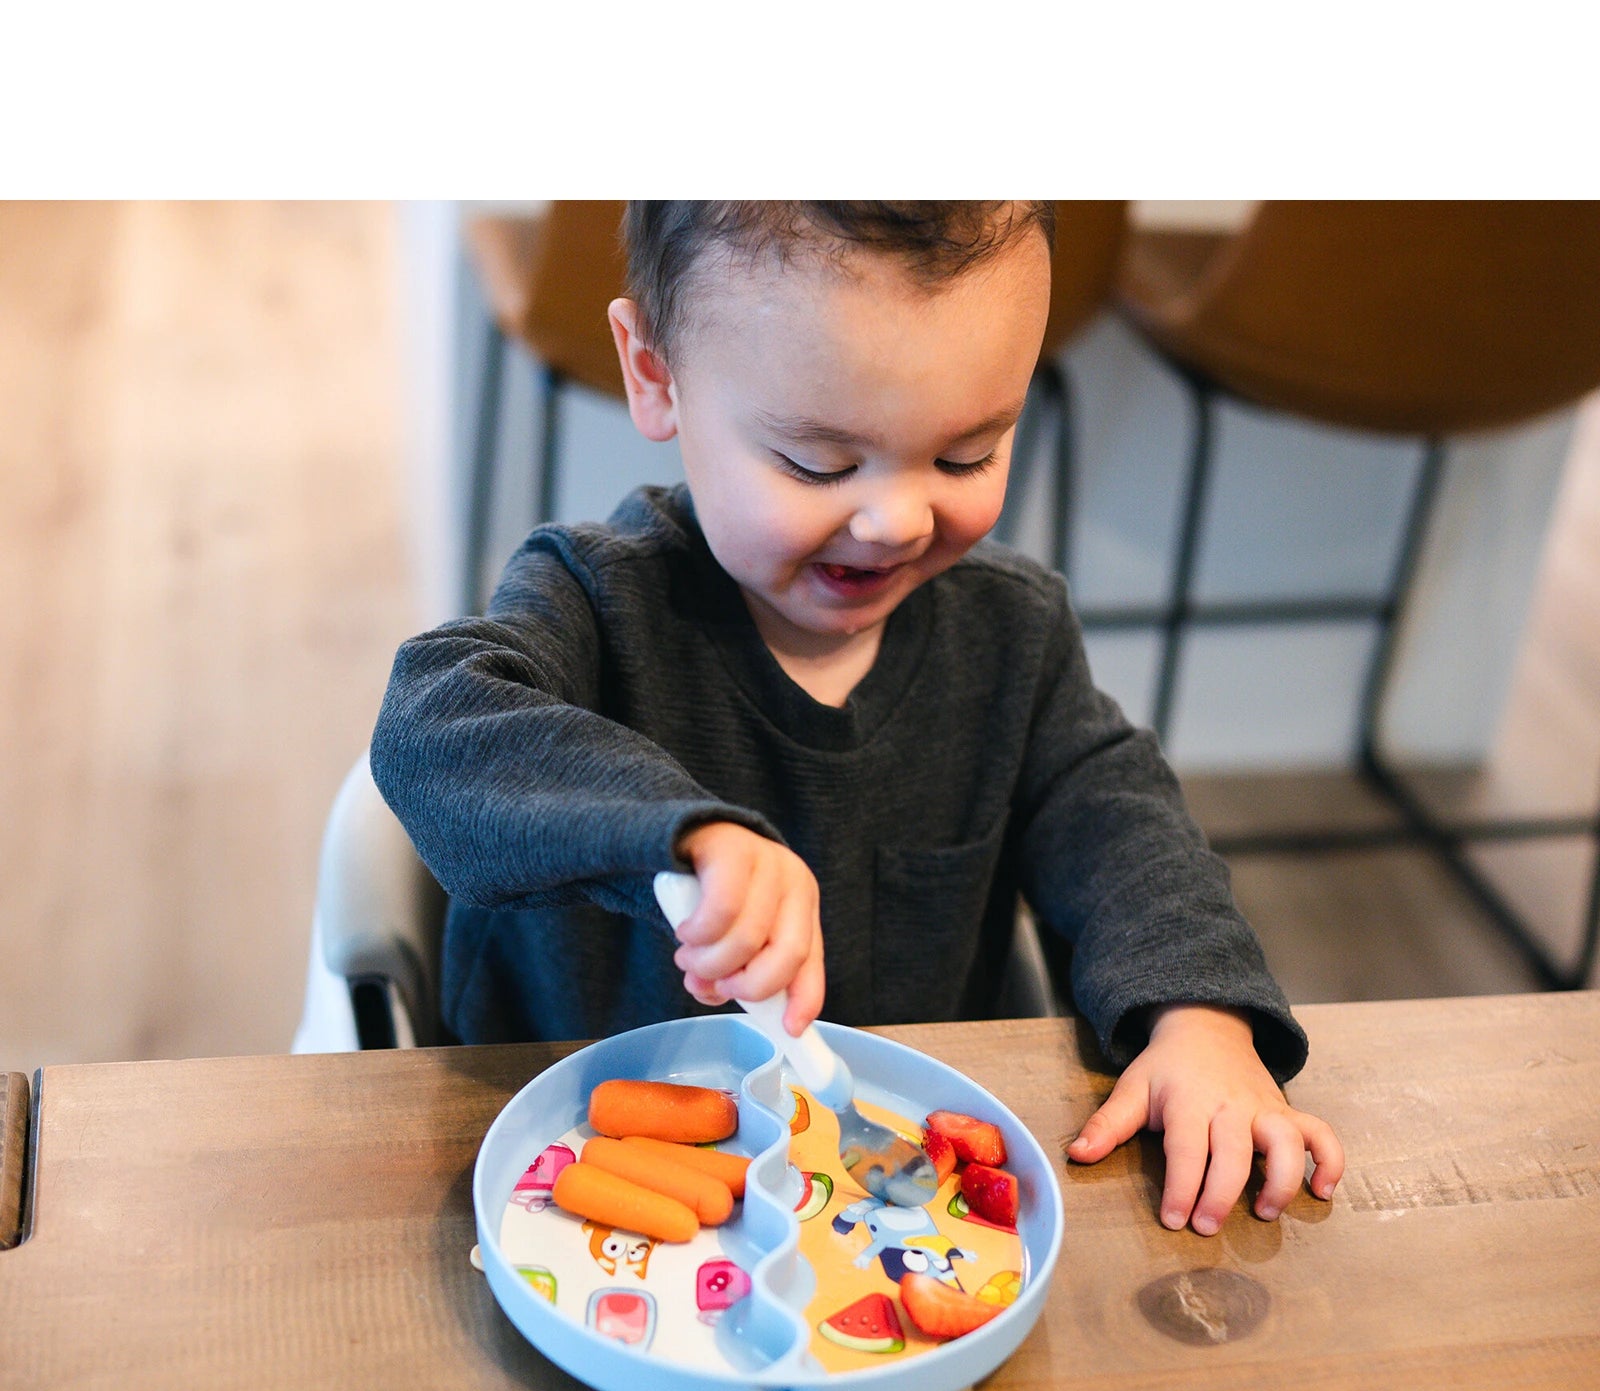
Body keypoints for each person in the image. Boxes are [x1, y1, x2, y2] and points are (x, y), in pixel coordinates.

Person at [371, 200, 1344, 1236]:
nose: (896, 519)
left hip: (897, 1190)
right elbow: (434, 716)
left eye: (967, 455)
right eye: (820, 464)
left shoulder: (1011, 634)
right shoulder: (599, 603)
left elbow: (1121, 826)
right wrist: (679, 831)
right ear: (655, 373)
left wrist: (1198, 1015)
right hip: (585, 1176)